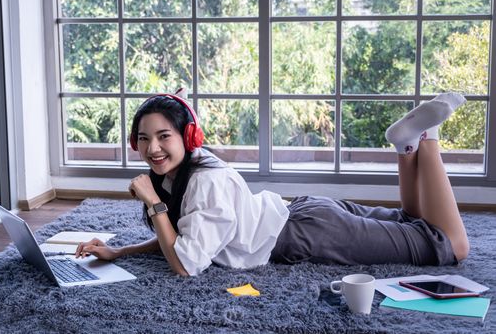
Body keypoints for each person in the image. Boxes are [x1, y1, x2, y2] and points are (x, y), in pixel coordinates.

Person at [75, 89, 470, 276]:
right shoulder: (180, 172)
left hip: (306, 234)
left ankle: (428, 136)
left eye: (164, 136)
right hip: (303, 214)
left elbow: (184, 263)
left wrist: (153, 204)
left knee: (450, 245)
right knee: (414, 225)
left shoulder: (203, 184)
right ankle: (407, 145)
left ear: (188, 138)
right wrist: (121, 251)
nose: (152, 148)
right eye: (144, 138)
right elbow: (183, 238)